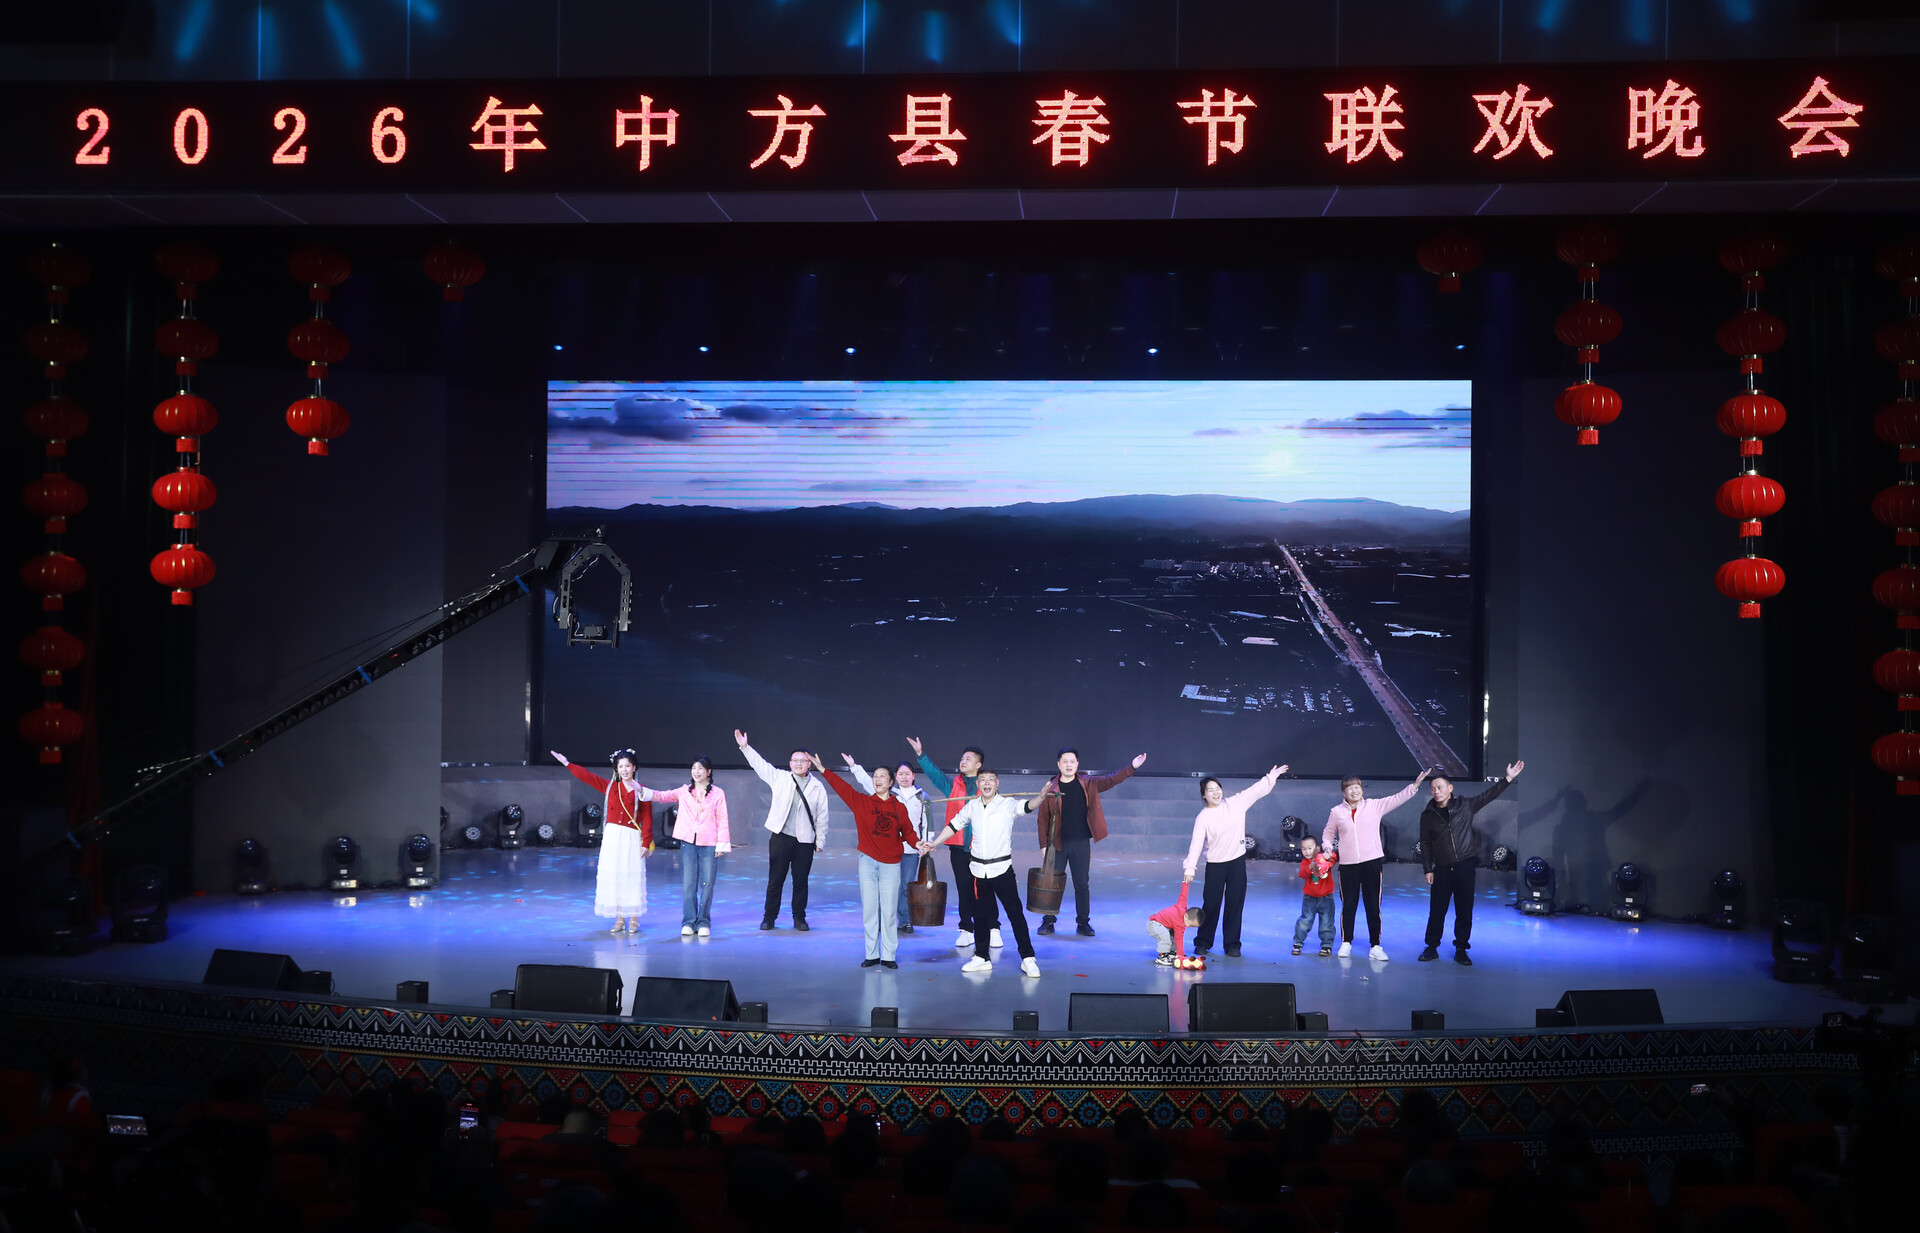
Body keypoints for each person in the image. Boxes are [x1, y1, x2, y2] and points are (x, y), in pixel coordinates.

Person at [919, 769, 1040, 976]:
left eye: (991, 780)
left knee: (1015, 914)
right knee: (981, 916)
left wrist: (1041, 797)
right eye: (982, 780)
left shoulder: (1007, 805)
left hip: (1002, 870)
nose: (986, 783)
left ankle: (1028, 958)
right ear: (978, 784)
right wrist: (934, 843)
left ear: (997, 783)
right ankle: (982, 957)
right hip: (978, 870)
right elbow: (954, 825)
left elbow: (1027, 806)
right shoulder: (972, 806)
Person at [1031, 748, 1148, 937]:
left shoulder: (1088, 783)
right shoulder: (1051, 788)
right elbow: (1043, 819)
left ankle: (1083, 923)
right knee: (1051, 884)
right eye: (1065, 761)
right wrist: (1044, 845)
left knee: (1082, 884)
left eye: (1072, 761)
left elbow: (1111, 780)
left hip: (1080, 843)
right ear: (1059, 764)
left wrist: (1132, 767)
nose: (1069, 765)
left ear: (1077, 764)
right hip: (1056, 844)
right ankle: (1048, 921)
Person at [818, 757, 921, 968]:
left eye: (882, 776)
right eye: (875, 776)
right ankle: (871, 954)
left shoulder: (899, 807)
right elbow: (841, 787)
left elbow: (908, 832)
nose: (877, 779)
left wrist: (918, 843)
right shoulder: (862, 802)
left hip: (891, 864)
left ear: (891, 782)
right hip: (867, 862)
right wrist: (822, 769)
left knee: (889, 911)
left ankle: (889, 955)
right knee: (870, 910)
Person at [1419, 759, 1524, 965]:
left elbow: (1489, 795)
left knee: (1464, 910)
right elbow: (1425, 843)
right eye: (1433, 789)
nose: (1436, 791)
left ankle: (1461, 949)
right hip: (1441, 868)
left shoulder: (1465, 806)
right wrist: (1427, 868)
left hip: (1465, 866)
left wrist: (1508, 779)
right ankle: (1431, 947)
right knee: (1437, 910)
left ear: (1450, 788)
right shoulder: (1428, 815)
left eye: (1440, 787)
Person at [1323, 766, 1432, 961]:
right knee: (1349, 905)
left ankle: (1375, 945)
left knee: (1373, 905)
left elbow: (1397, 798)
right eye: (1349, 788)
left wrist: (1414, 786)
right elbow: (1329, 832)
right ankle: (1346, 942)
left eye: (1357, 786)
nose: (1354, 790)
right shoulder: (1336, 812)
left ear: (1362, 789)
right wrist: (1327, 847)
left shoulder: (1374, 806)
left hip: (1371, 864)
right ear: (1343, 793)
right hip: (1348, 866)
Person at [1183, 765, 1287, 958]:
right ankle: (1203, 942)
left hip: (1236, 863)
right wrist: (1190, 867)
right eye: (1210, 790)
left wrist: (1271, 776)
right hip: (1215, 865)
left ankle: (1232, 944)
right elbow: (1196, 844)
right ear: (1204, 795)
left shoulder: (1236, 803)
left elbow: (1256, 791)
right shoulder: (1203, 817)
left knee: (1235, 903)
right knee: (1211, 904)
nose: (1216, 793)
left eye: (1218, 788)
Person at [907, 737, 1000, 950]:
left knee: (986, 888)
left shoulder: (987, 786)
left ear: (978, 764)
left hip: (983, 846)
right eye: (962, 758)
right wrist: (921, 755)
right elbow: (934, 774)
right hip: (958, 846)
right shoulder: (953, 785)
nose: (963, 761)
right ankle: (966, 929)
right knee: (964, 888)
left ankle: (993, 928)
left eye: (968, 758)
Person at [736, 729, 831, 931]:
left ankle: (799, 918)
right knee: (775, 880)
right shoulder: (780, 777)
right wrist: (745, 747)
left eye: (802, 761)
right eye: (795, 760)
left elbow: (822, 816)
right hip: (781, 837)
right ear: (790, 763)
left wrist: (820, 840)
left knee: (801, 882)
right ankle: (769, 917)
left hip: (805, 841)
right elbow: (760, 764)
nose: (798, 763)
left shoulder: (818, 787)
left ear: (809, 764)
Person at [551, 747, 655, 932]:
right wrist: (567, 764)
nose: (624, 769)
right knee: (616, 876)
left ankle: (634, 918)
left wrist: (646, 842)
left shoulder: (642, 790)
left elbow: (647, 818)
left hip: (631, 837)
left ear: (634, 767)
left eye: (627, 766)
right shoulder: (610, 787)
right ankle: (620, 918)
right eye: (620, 766)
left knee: (631, 876)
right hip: (613, 837)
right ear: (616, 769)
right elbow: (587, 777)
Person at [640, 757, 731, 938]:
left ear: (709, 772)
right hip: (688, 843)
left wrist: (722, 843)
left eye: (700, 768)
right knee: (689, 885)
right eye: (694, 768)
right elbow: (662, 796)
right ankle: (689, 921)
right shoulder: (684, 791)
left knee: (707, 884)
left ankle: (703, 921)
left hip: (709, 843)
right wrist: (641, 790)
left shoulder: (718, 793)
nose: (696, 772)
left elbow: (722, 819)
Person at [845, 756, 931, 934]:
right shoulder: (889, 794)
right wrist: (854, 766)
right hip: (888, 850)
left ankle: (905, 921)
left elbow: (927, 823)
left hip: (911, 850)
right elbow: (867, 781)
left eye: (907, 773)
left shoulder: (922, 796)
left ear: (913, 775)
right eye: (901, 774)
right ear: (895, 778)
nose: (904, 777)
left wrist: (925, 845)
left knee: (905, 887)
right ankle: (879, 921)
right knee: (882, 887)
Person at [1291, 835, 1338, 957]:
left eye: (1310, 848)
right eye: (1304, 849)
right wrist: (1309, 868)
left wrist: (1328, 855)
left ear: (1317, 848)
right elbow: (1302, 874)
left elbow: (1333, 858)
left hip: (1326, 897)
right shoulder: (1305, 862)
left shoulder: (1323, 858)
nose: (1307, 852)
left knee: (1327, 922)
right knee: (1304, 921)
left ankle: (1326, 945)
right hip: (1309, 898)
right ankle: (1297, 943)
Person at [1147, 877, 1200, 966]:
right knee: (1166, 937)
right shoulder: (1180, 924)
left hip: (1164, 926)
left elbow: (1183, 896)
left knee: (1173, 935)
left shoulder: (1182, 906)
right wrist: (1181, 955)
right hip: (1154, 924)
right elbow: (1179, 939)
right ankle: (1162, 956)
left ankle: (1172, 952)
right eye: (1191, 925)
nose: (1190, 927)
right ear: (1186, 916)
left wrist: (1186, 884)